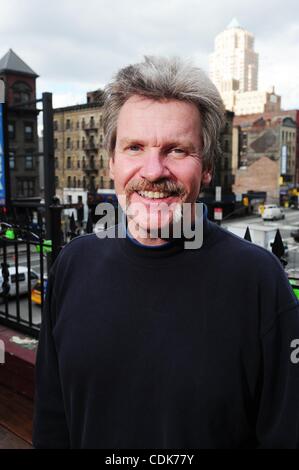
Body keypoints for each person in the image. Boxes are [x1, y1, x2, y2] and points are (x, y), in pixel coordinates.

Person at [33, 56, 299, 449]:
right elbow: (53, 421)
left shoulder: (259, 281)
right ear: (111, 161)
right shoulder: (73, 264)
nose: (153, 171)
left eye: (176, 150)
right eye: (135, 147)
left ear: (206, 167)